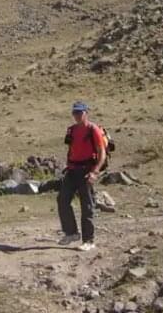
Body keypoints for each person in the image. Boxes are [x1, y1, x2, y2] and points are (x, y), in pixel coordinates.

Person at [57, 101, 106, 252]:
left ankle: (89, 241)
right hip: (72, 170)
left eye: (80, 113)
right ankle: (71, 233)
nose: (77, 116)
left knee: (87, 206)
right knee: (62, 200)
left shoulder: (93, 129)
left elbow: (102, 152)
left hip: (87, 170)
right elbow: (72, 149)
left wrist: (95, 172)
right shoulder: (71, 130)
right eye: (75, 113)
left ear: (86, 113)